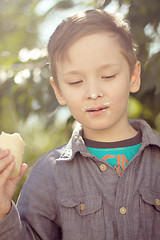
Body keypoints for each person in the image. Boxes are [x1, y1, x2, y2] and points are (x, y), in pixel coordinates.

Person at [0, 9, 160, 240]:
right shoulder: (49, 173)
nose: (93, 93)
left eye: (108, 76)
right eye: (76, 81)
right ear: (59, 91)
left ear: (133, 77)